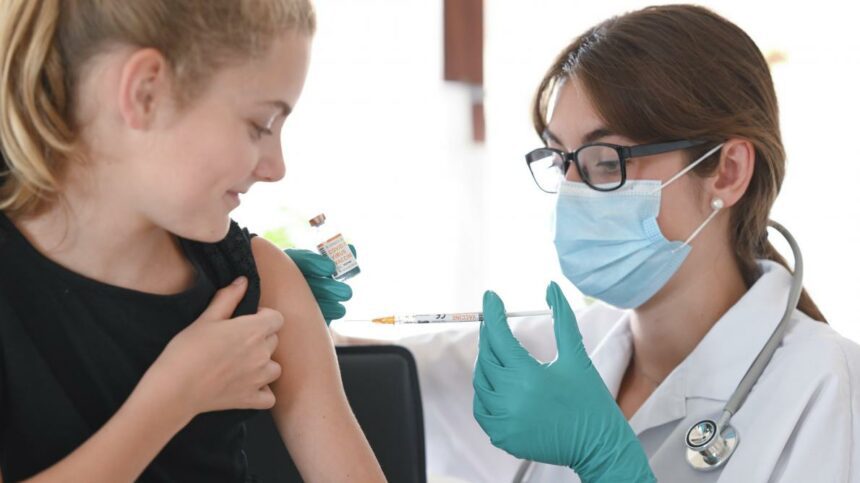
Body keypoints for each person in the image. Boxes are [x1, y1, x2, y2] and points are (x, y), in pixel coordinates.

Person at [470, 4, 860, 482]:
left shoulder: (826, 387)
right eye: (559, 160)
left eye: (606, 161)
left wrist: (609, 465)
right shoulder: (573, 349)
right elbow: (406, 374)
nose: (571, 192)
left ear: (728, 171)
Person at [0, 0, 384, 481]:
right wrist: (175, 396)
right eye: (260, 126)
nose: (277, 168)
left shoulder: (261, 281)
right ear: (146, 93)